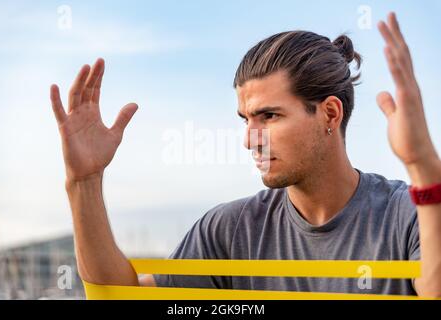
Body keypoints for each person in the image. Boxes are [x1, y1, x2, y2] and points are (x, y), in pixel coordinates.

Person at [50, 12, 441, 297]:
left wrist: (423, 166)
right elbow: (121, 296)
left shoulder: (408, 214)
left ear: (330, 114)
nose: (250, 139)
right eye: (245, 119)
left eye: (269, 116)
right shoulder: (231, 228)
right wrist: (83, 182)